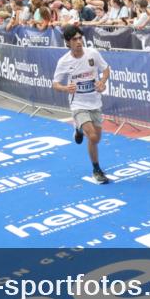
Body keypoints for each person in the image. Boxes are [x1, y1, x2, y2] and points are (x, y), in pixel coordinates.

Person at [52, 26, 111, 183]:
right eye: (74, 39)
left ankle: (78, 129)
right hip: (77, 103)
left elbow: (106, 69)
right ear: (68, 42)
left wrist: (102, 82)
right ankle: (96, 169)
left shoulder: (92, 53)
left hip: (95, 101)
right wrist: (66, 88)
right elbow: (55, 84)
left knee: (96, 139)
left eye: (80, 38)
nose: (78, 42)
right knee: (91, 135)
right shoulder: (64, 61)